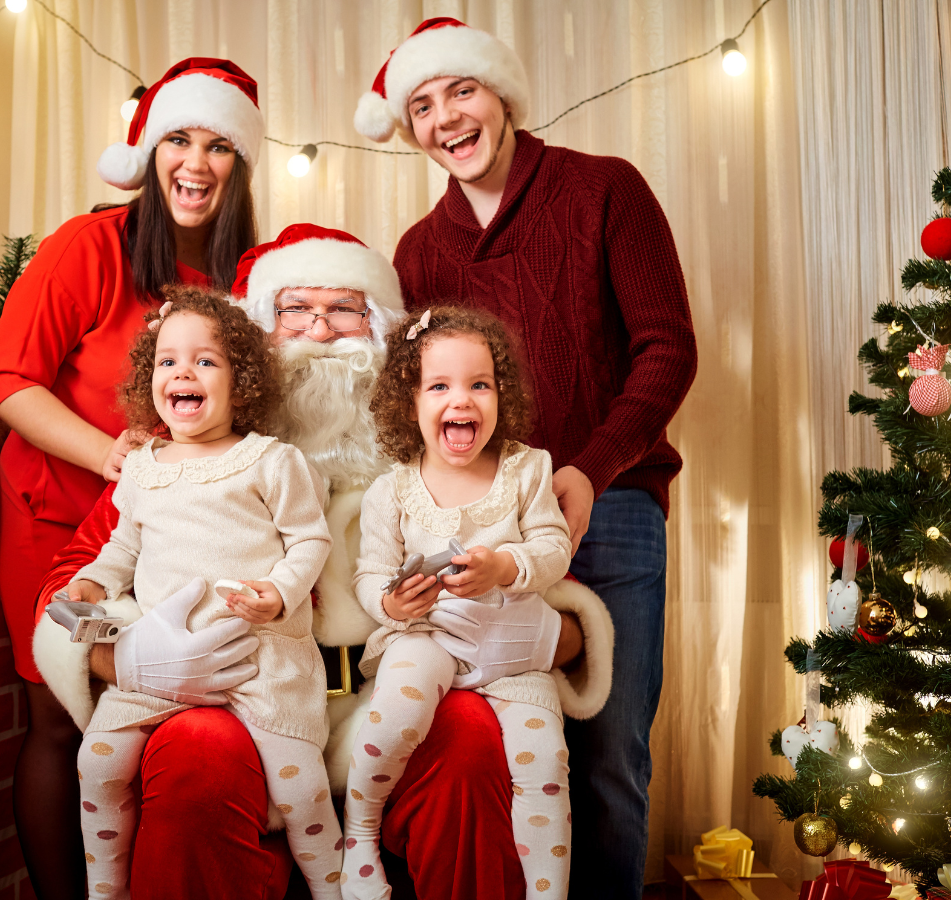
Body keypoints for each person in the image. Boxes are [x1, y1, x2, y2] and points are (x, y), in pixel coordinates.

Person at [31, 225, 613, 900]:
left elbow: (556, 599)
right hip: (246, 696)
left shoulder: (455, 452)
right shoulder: (174, 457)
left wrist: (539, 636)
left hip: (399, 700)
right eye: (294, 310)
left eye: (345, 310)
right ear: (256, 339)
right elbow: (70, 582)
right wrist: (122, 658)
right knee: (195, 750)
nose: (321, 330)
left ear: (387, 337)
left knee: (471, 736)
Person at [354, 19, 698, 899]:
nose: (446, 119)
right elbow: (419, 398)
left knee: (610, 754)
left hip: (611, 504)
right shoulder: (419, 251)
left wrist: (586, 467)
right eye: (422, 107)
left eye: (460, 92)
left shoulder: (604, 191)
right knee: (498, 744)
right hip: (477, 526)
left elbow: (668, 346)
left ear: (500, 93)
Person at [0, 58, 265, 899]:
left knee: (151, 716)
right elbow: (8, 382)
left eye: (219, 145)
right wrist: (108, 453)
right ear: (148, 150)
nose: (196, 163)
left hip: (168, 540)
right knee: (62, 721)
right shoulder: (88, 246)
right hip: (56, 523)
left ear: (240, 165)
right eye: (178, 138)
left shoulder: (244, 278)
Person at [63, 287, 339, 900]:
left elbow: (310, 542)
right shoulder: (142, 467)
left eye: (206, 361)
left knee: (299, 789)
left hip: (260, 657)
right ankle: (105, 891)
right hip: (162, 662)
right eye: (168, 361)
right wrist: (92, 583)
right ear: (149, 380)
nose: (183, 372)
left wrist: (279, 592)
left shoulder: (270, 460)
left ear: (241, 383)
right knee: (98, 762)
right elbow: (123, 549)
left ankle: (335, 887)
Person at [345, 307, 574, 900]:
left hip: (513, 657)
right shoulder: (390, 490)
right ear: (411, 403)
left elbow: (553, 548)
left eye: (480, 385)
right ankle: (359, 833)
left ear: (503, 397)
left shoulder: (528, 469)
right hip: (427, 638)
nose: (462, 400)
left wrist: (505, 566)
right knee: (396, 713)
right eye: (440, 386)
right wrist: (394, 606)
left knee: (546, 770)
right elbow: (369, 576)